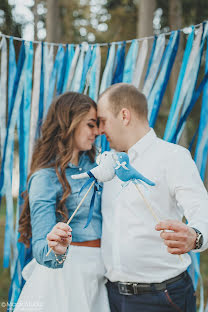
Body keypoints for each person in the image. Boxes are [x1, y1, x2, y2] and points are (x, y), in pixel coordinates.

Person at [97, 83, 208, 312]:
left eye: (103, 120)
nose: (100, 129)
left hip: (162, 298)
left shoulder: (173, 157)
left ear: (124, 115)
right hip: (112, 297)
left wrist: (195, 237)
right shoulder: (108, 164)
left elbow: (202, 210)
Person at [14, 92, 110, 312]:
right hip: (64, 278)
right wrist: (55, 250)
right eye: (90, 124)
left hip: (99, 274)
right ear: (70, 123)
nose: (97, 132)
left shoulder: (99, 166)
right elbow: (40, 244)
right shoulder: (45, 177)